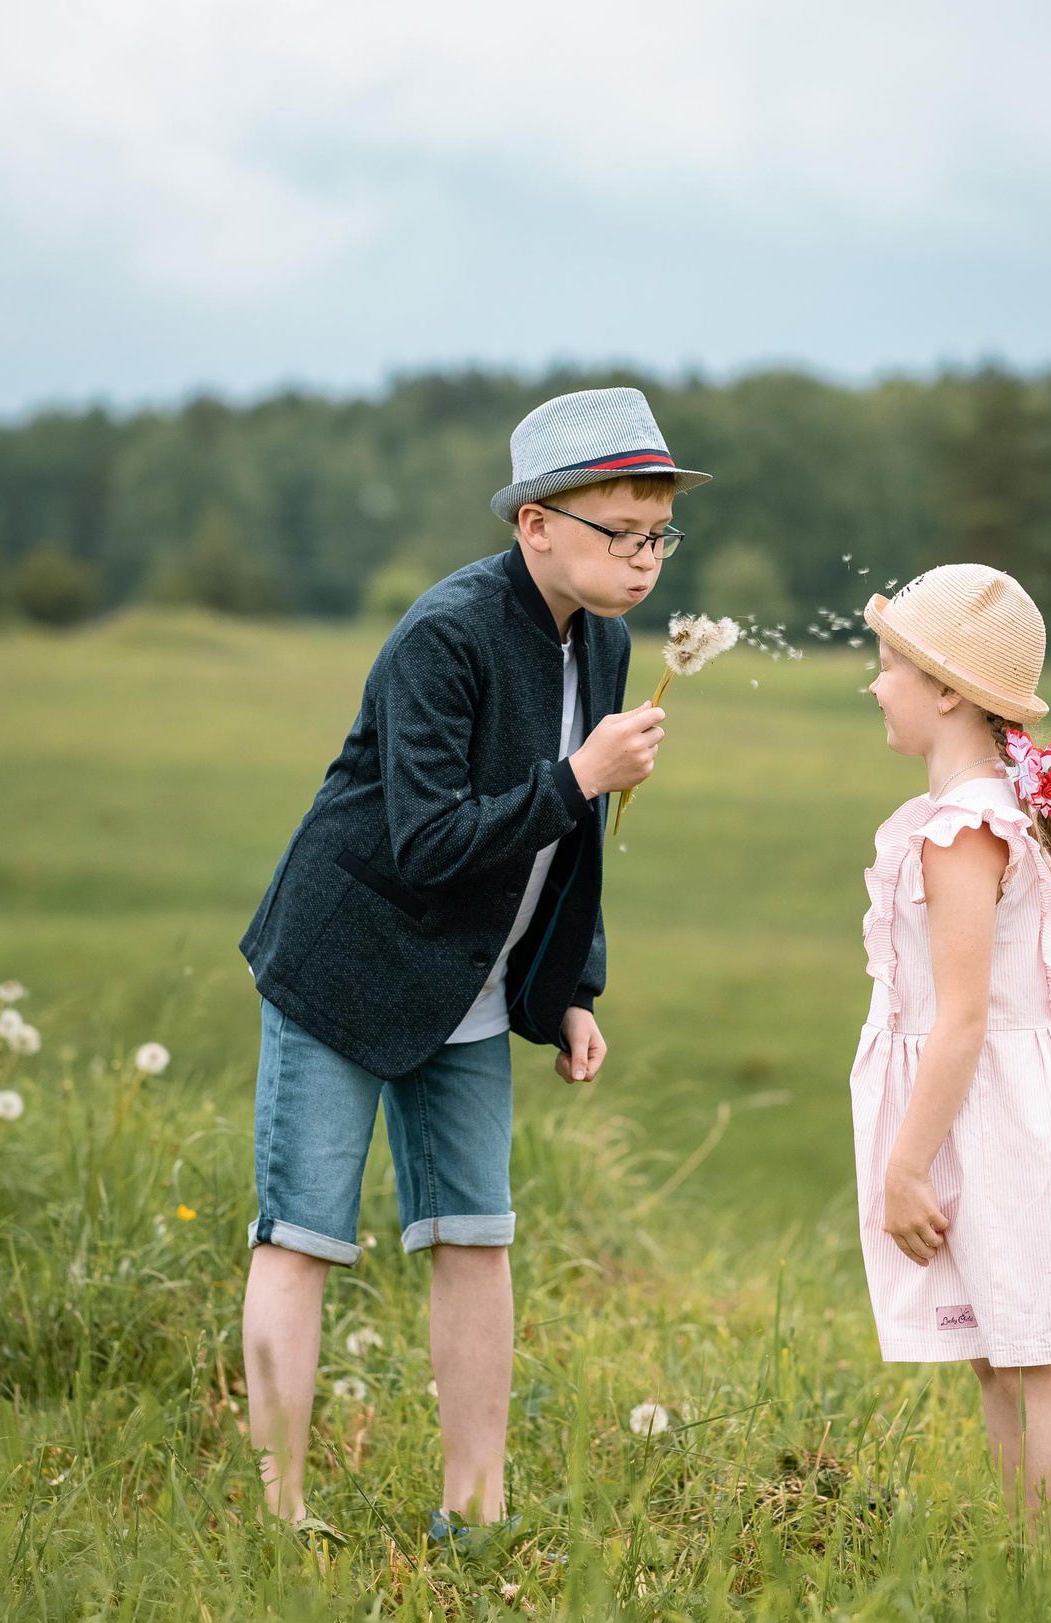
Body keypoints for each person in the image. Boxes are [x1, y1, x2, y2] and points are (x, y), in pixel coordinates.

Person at [235, 388, 709, 1541]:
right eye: (621, 532)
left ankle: (476, 1510)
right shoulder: (442, 636)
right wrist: (580, 776)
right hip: (348, 967)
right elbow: (430, 839)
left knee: (476, 1238)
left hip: (474, 986)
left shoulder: (602, 640)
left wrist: (569, 990)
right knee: (302, 1237)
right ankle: (282, 1512)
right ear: (535, 524)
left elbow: (574, 844)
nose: (644, 559)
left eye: (658, 535)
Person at [852, 563, 1051, 1522]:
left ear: (945, 691)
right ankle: (1041, 1558)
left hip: (985, 1123)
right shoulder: (964, 819)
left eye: (890, 665)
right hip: (985, 1111)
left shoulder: (962, 831)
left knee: (1030, 1363)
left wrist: (907, 1165)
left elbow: (962, 1015)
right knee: (1000, 1359)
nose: (876, 684)